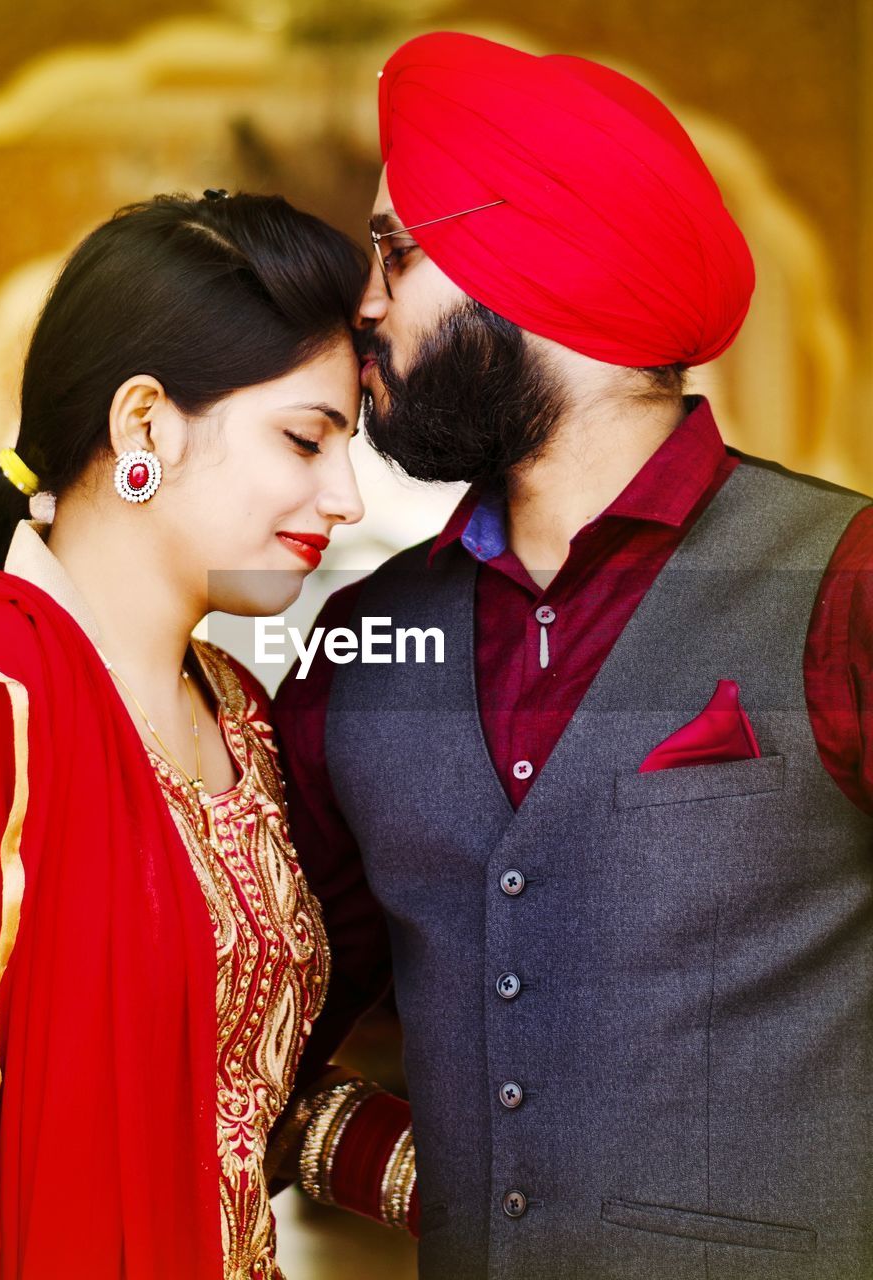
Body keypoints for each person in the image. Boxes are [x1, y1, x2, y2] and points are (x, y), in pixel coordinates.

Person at [273, 31, 873, 1280]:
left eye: (397, 250)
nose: (366, 302)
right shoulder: (365, 637)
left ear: (535, 264)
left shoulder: (842, 580)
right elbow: (242, 1005)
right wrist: (388, 1157)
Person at [0, 190, 414, 1279]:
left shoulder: (237, 714)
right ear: (144, 421)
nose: (342, 495)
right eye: (306, 438)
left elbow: (221, 1087)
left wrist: (478, 1176)